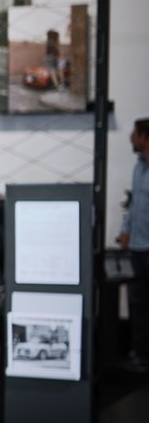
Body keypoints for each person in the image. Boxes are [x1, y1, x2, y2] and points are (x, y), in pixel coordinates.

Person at [120, 118, 149, 372]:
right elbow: (133, 205)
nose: (131, 138)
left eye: (134, 134)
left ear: (144, 137)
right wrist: (125, 230)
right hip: (138, 247)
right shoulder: (138, 168)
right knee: (137, 303)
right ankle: (139, 354)